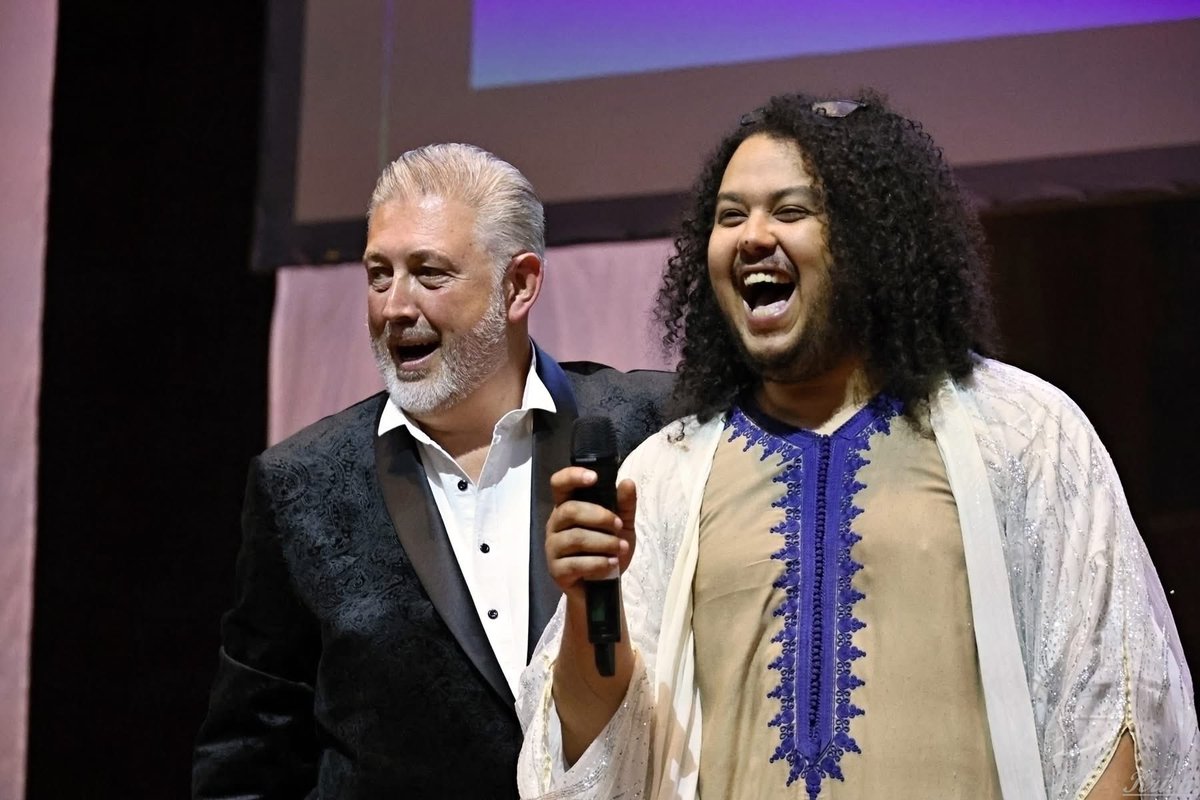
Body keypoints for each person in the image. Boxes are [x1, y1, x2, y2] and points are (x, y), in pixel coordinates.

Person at [517, 92, 1199, 800]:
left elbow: (1114, 713)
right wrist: (586, 606)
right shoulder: (667, 473)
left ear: (873, 238)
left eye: (790, 211)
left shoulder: (1024, 433)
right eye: (730, 216)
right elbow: (597, 755)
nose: (752, 236)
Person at [192, 143, 671, 797]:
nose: (394, 306)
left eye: (429, 273)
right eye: (378, 275)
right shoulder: (301, 484)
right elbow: (248, 753)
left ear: (519, 285)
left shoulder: (650, 428)